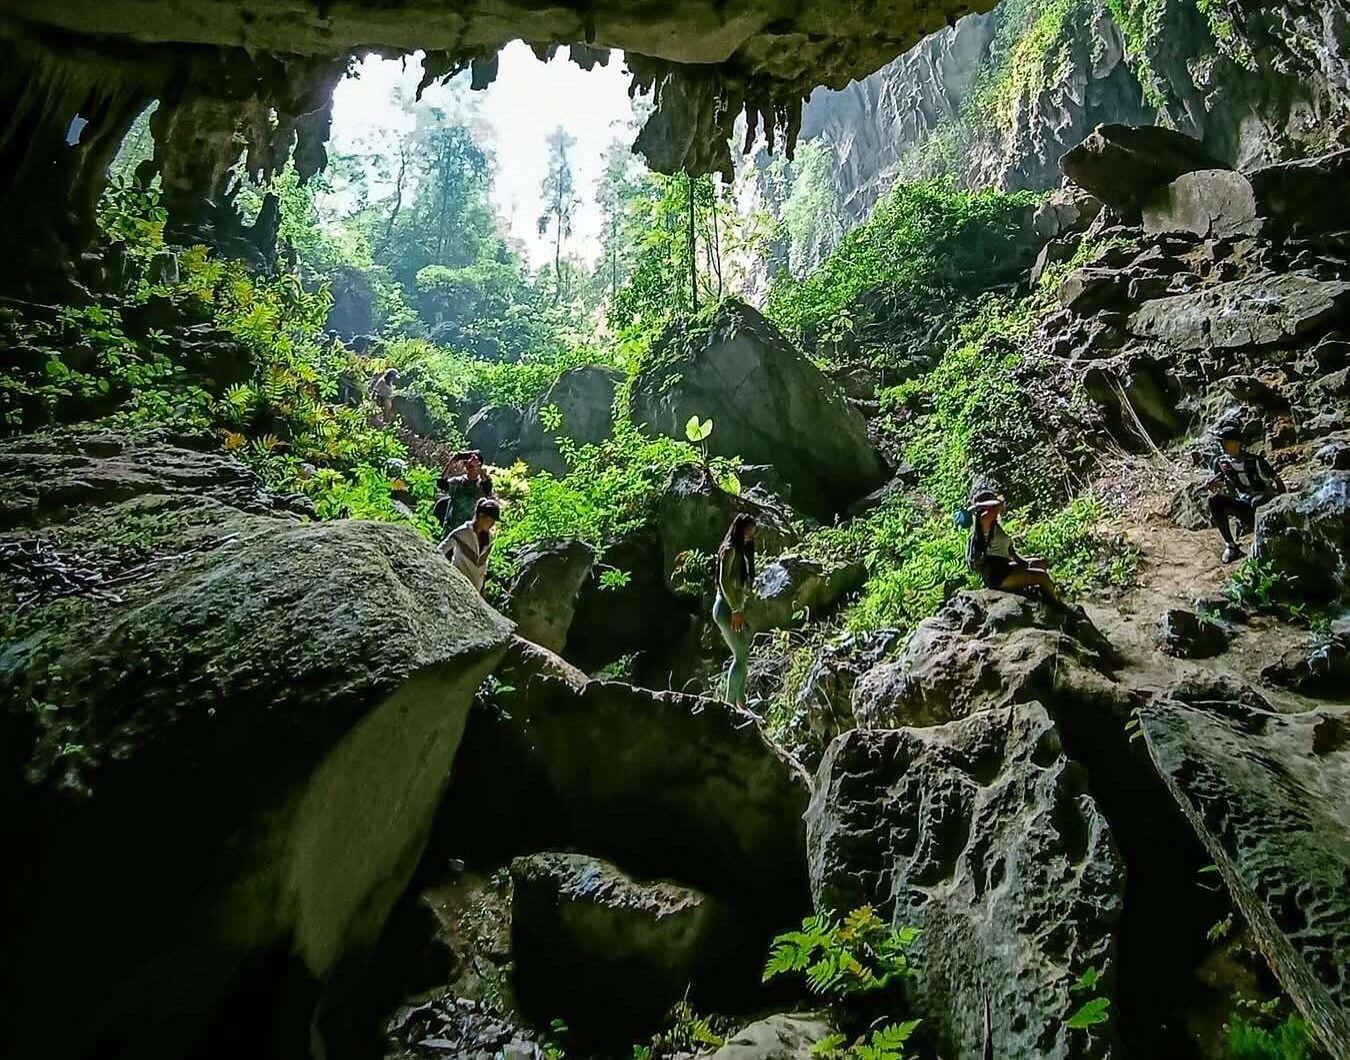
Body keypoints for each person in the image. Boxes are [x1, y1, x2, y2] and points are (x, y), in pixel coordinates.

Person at [1205, 425, 1287, 563]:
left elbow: (1277, 480)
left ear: (1236, 443)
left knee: (1257, 502)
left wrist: (1283, 503)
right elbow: (1220, 483)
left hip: (1265, 503)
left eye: (1224, 442)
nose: (1221, 446)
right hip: (1245, 504)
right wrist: (1213, 486)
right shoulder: (1221, 463)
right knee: (1214, 500)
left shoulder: (1256, 461)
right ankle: (1231, 546)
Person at [965, 489, 1059, 600]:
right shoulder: (983, 524)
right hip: (997, 575)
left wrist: (1027, 563)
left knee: (1039, 563)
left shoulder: (996, 527)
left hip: (1005, 567)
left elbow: (1011, 553)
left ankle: (1042, 597)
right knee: (1043, 577)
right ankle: (1057, 606)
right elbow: (988, 512)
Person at [713, 512, 757, 708]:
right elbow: (723, 582)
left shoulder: (740, 552)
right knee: (740, 654)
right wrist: (736, 609)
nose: (750, 537)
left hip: (733, 608)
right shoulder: (730, 550)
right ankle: (729, 705)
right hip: (725, 608)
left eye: (752, 534)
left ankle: (741, 703)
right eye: (747, 533)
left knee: (743, 654)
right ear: (739, 531)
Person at [442, 497, 500, 593]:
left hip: (476, 589)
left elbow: (485, 563)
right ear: (481, 516)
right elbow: (441, 549)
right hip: (458, 585)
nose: (492, 524)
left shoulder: (489, 538)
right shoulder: (462, 532)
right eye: (490, 520)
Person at [434, 450, 495, 533]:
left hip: (469, 532)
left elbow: (487, 486)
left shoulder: (482, 487)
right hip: (452, 529)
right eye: (469, 460)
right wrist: (452, 462)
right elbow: (441, 483)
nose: (471, 462)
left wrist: (478, 468)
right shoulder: (457, 482)